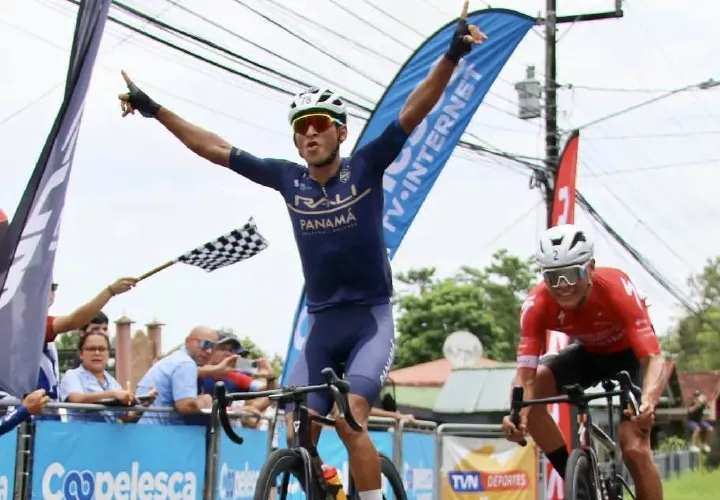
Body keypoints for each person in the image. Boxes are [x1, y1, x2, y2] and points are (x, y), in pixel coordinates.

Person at [118, 4, 486, 498]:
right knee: (297, 430)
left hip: (368, 322)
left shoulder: (366, 167)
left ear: (340, 131)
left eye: (320, 123)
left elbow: (416, 109)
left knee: (352, 420)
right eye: (301, 126)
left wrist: (452, 55)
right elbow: (213, 148)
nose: (309, 132)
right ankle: (324, 485)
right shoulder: (287, 179)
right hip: (321, 325)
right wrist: (153, 108)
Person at [502, 224, 667, 499]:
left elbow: (653, 357)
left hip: (630, 356)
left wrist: (648, 400)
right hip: (589, 354)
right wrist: (516, 413)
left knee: (634, 449)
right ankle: (576, 479)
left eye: (571, 274)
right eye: (553, 277)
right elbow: (525, 374)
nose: (562, 286)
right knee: (532, 397)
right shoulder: (536, 304)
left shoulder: (616, 287)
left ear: (590, 267)